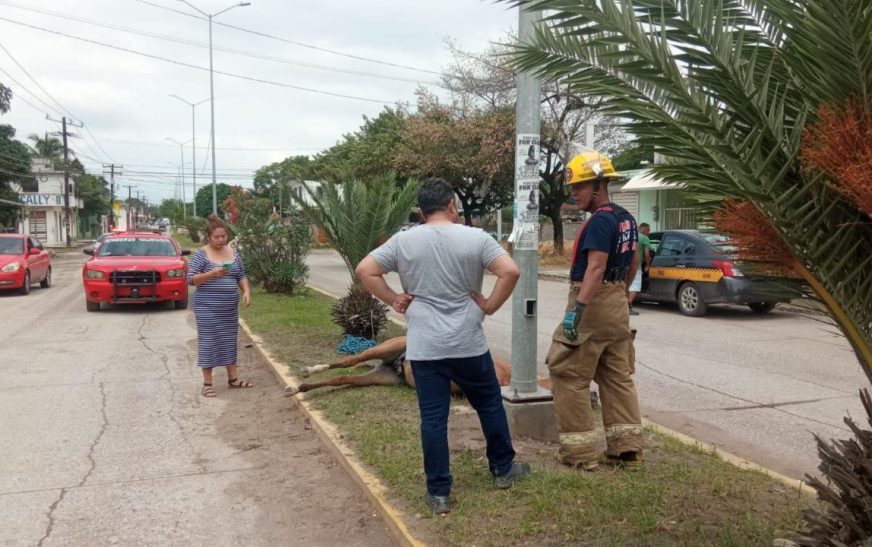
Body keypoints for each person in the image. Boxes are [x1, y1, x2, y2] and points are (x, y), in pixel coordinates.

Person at [356, 177, 530, 515]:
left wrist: (395, 299)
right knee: (490, 405)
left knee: (433, 419)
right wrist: (489, 305)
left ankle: (438, 493)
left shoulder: (404, 241)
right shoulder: (476, 238)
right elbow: (510, 271)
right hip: (468, 343)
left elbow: (366, 269)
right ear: (452, 205)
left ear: (421, 212)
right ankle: (503, 470)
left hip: (425, 348)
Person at [546, 150, 643, 471]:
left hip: (592, 304)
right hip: (617, 306)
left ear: (599, 186)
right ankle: (627, 450)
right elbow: (633, 264)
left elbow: (595, 268)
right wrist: (621, 294)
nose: (574, 195)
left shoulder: (600, 221)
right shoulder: (627, 219)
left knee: (567, 374)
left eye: (580, 188)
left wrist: (579, 311)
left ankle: (580, 454)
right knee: (616, 377)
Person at [187, 214, 252, 397]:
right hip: (207, 308)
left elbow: (241, 275)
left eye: (223, 236)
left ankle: (233, 379)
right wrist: (212, 274)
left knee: (229, 341)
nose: (221, 240)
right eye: (217, 237)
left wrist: (246, 291)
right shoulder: (201, 254)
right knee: (209, 342)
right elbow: (191, 279)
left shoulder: (233, 253)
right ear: (209, 237)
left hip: (229, 308)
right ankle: (207, 383)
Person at [627, 222, 652, 315]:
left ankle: (621, 306)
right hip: (636, 266)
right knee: (635, 286)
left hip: (625, 265)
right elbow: (647, 254)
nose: (649, 232)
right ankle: (628, 306)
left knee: (626, 286)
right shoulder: (645, 238)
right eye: (649, 230)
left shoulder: (631, 236)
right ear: (645, 229)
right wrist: (647, 265)